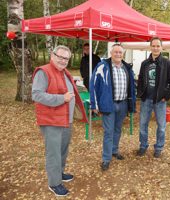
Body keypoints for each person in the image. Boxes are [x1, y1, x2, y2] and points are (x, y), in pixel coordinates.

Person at [32, 45, 88, 197]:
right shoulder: (44, 71)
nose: (63, 61)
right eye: (60, 57)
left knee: (63, 150)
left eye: (66, 59)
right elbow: (36, 95)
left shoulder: (64, 72)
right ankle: (54, 183)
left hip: (65, 119)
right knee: (54, 153)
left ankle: (59, 173)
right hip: (51, 120)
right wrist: (62, 98)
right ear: (53, 55)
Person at [90, 44, 136, 171]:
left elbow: (131, 86)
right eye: (115, 52)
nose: (118, 54)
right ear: (111, 52)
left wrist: (131, 103)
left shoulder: (126, 68)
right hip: (108, 104)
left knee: (117, 129)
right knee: (108, 131)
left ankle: (114, 150)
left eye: (120, 52)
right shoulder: (102, 66)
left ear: (123, 54)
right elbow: (93, 84)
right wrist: (94, 104)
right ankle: (106, 158)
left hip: (122, 104)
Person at [136, 37, 170, 158]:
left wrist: (166, 96)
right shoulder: (145, 63)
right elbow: (141, 79)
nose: (156, 48)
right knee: (143, 124)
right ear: (150, 47)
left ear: (161, 47)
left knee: (162, 126)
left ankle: (159, 147)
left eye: (158, 46)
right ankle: (143, 145)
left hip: (159, 100)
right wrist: (140, 93)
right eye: (153, 46)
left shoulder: (167, 63)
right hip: (146, 99)